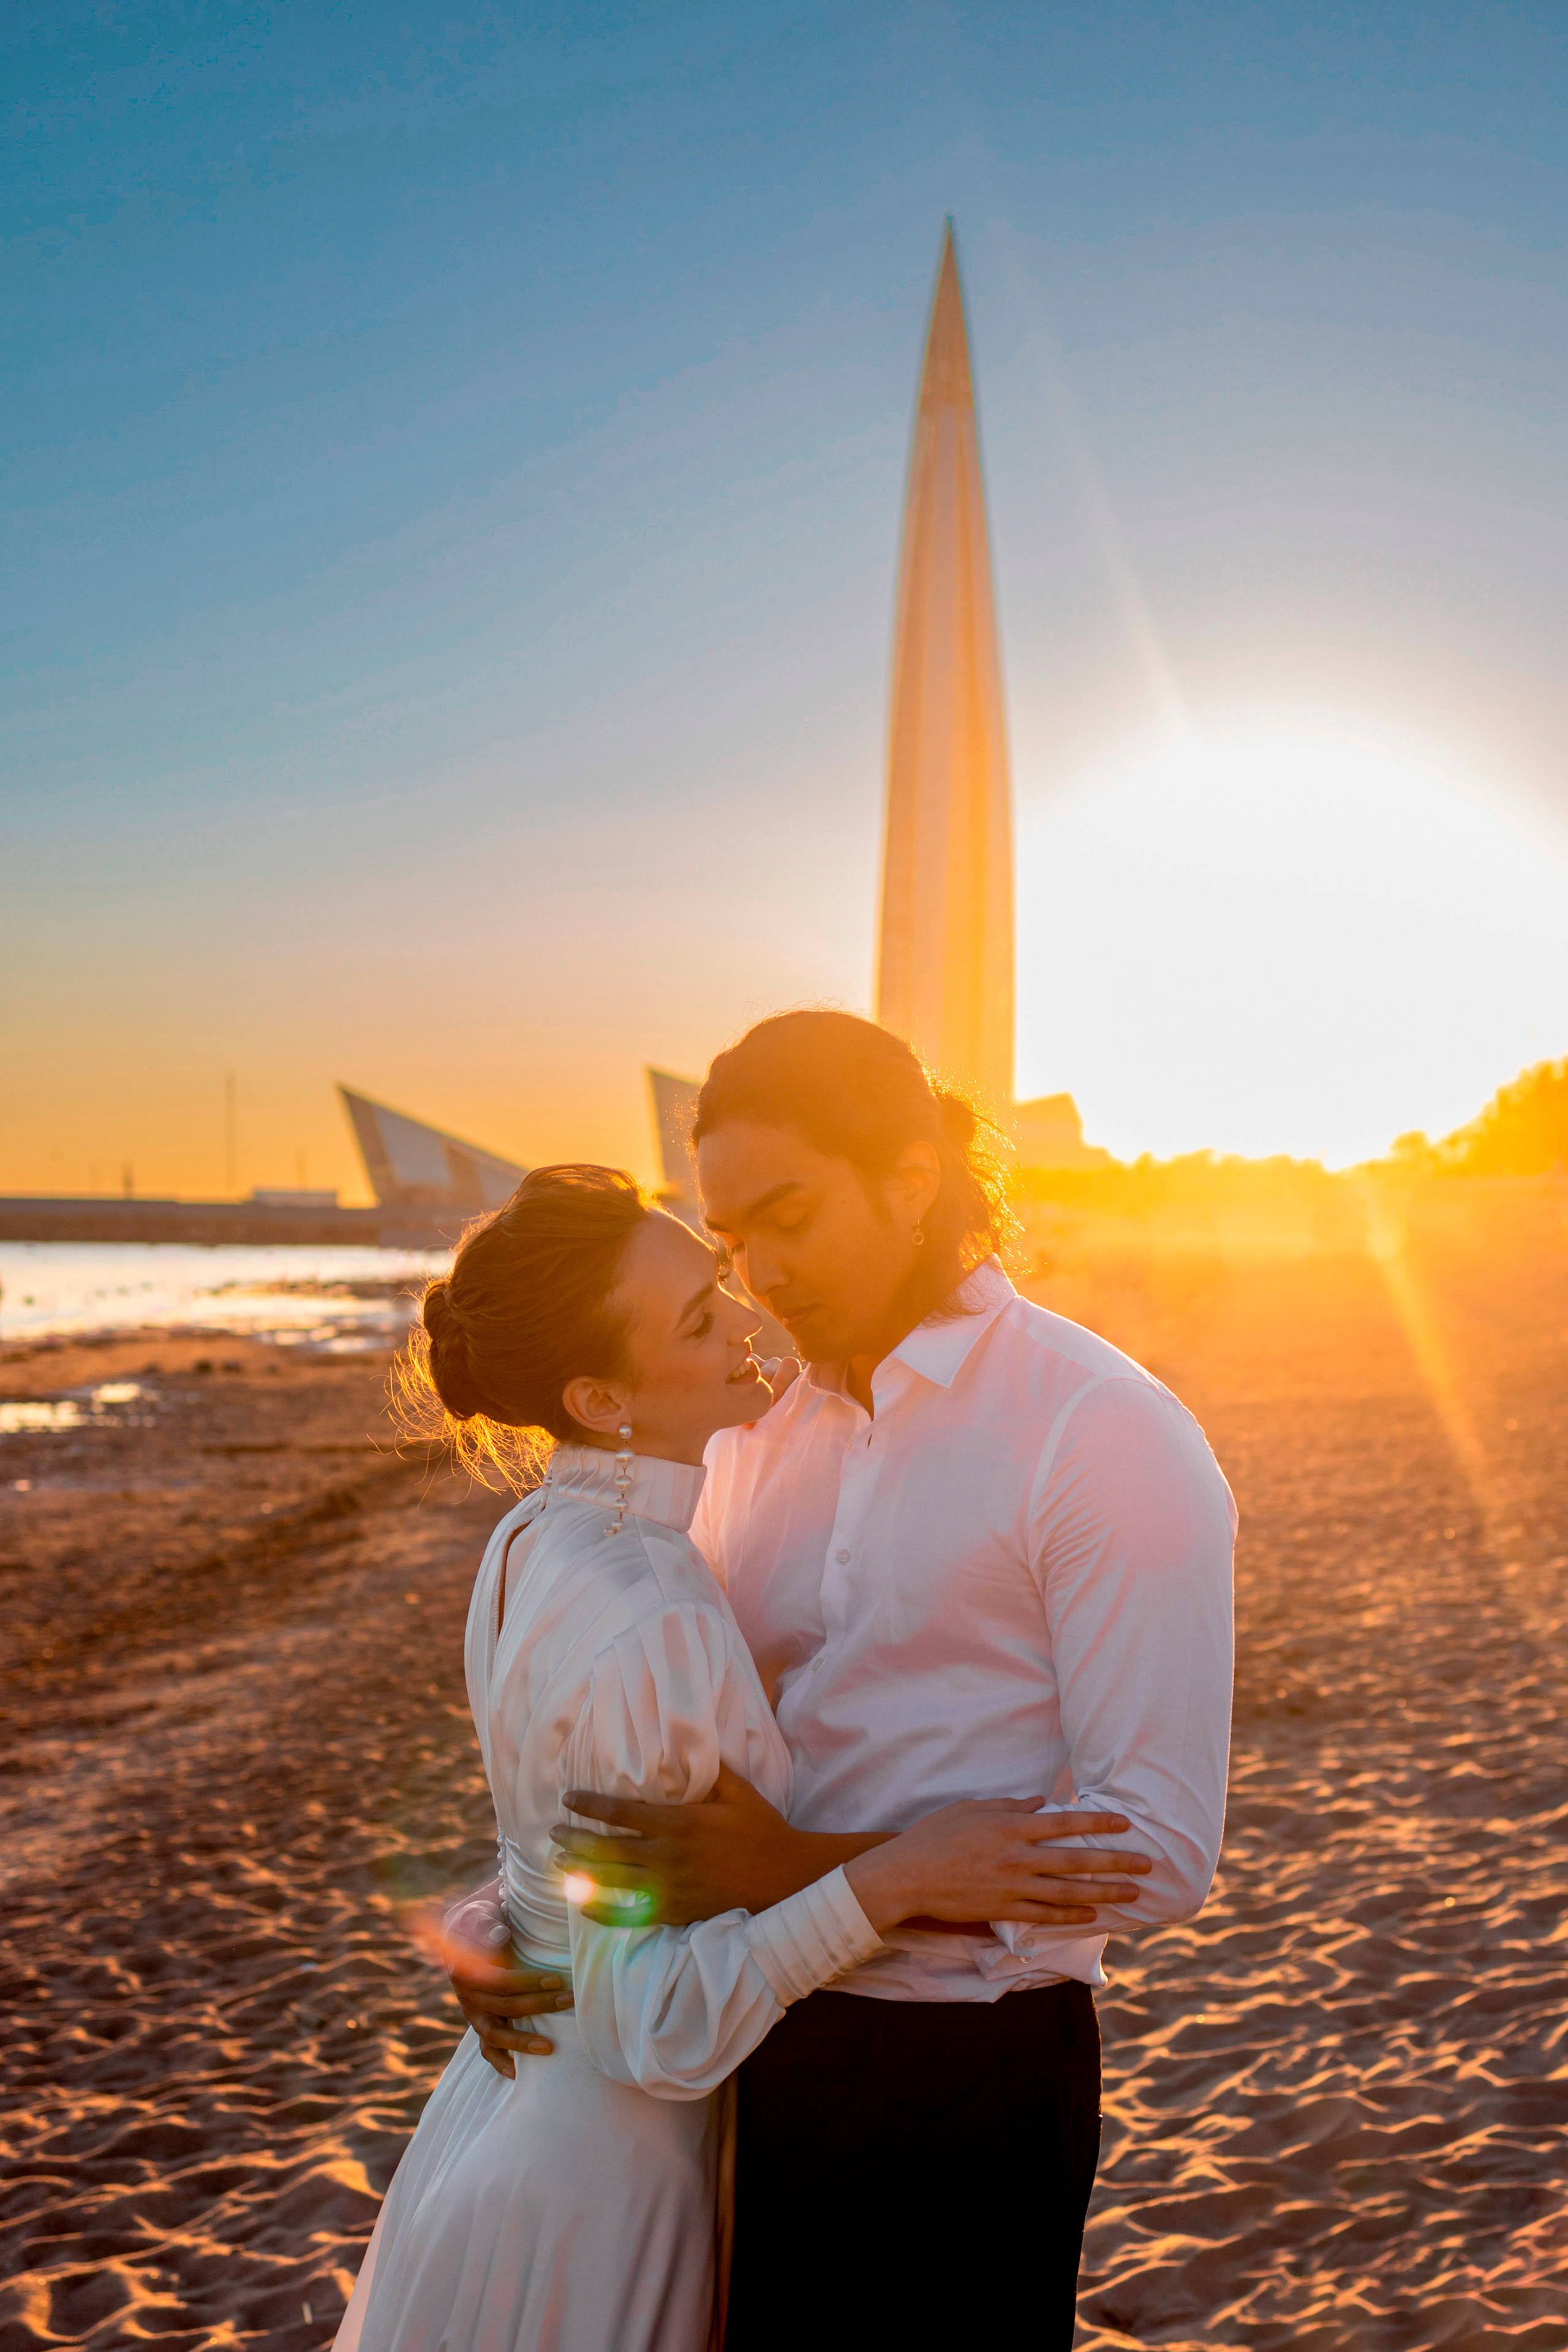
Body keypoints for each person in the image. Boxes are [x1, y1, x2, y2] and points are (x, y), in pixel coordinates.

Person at [449, 1012, 1236, 2350]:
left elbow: (1156, 1855)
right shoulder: (746, 1429)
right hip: (726, 2055)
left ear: (911, 1179)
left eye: (791, 1215)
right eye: (730, 1238)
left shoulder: (1101, 1434)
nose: (760, 1272)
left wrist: (799, 1869)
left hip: (961, 2079)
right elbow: (654, 1742)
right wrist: (517, 1917)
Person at [336, 1161, 1145, 2352]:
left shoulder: (524, 1543)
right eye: (696, 1321)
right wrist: (893, 1879)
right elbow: (653, 2026)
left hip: (499, 2107)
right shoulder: (653, 1607)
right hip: (608, 2179)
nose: (745, 1320)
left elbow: (555, 1840)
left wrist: (501, 1917)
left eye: (717, 1283)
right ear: (602, 1397)